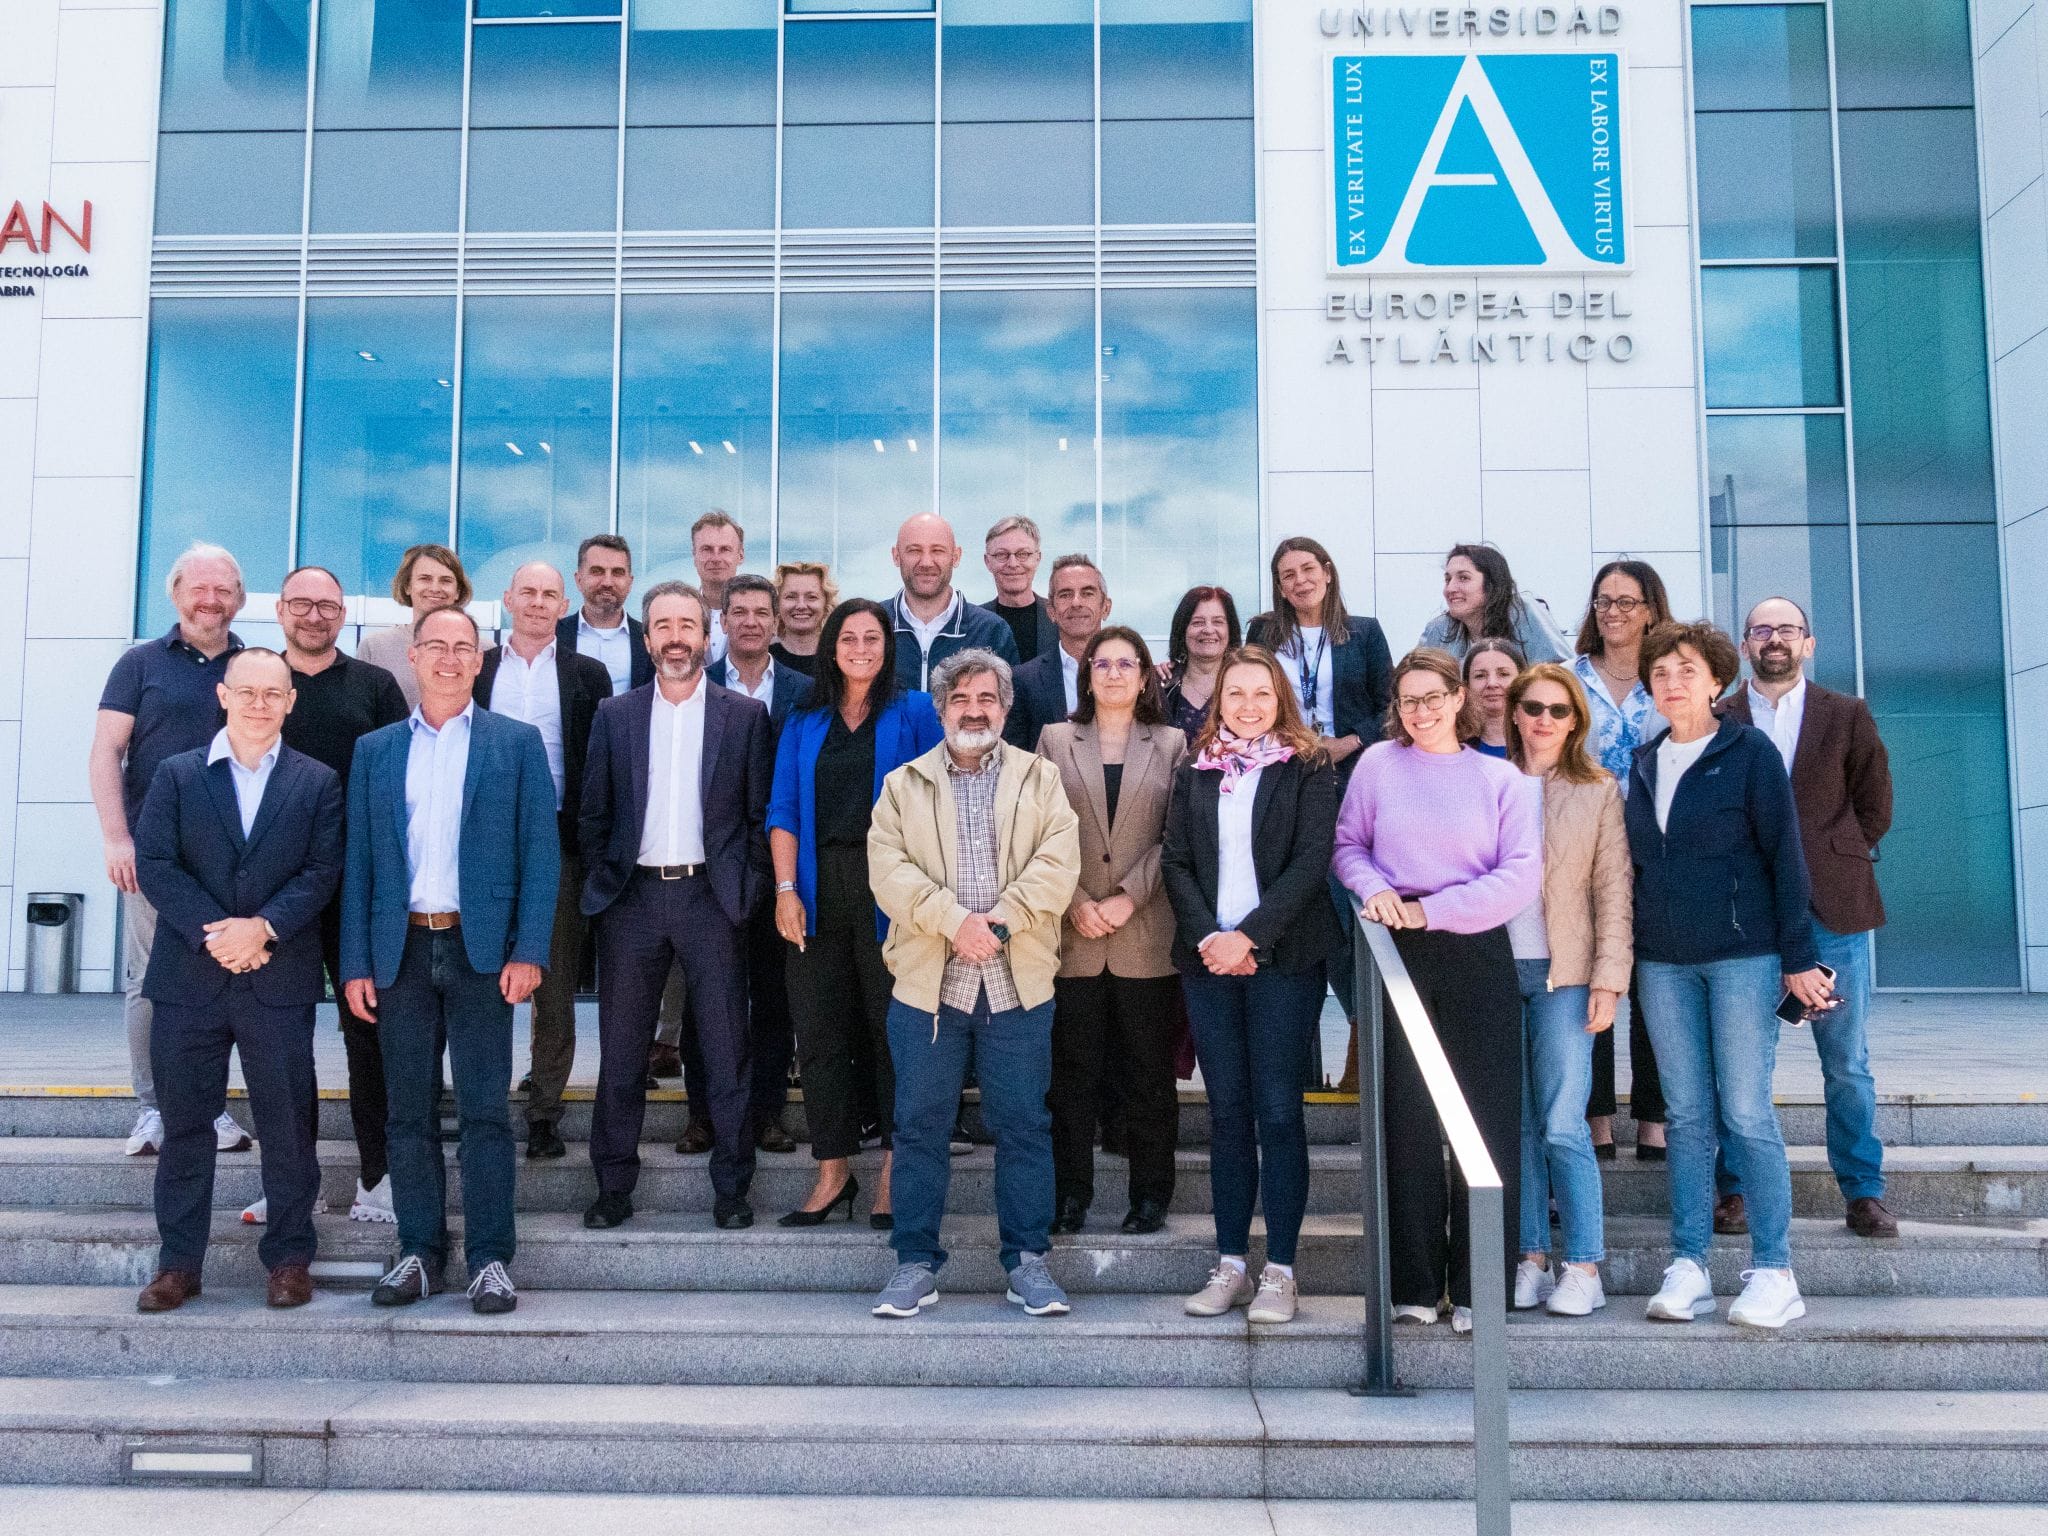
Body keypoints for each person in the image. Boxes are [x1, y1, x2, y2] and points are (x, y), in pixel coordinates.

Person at [340, 606, 560, 1317]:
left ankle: (491, 1258)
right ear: (412, 656)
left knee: (485, 1111)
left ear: (479, 659)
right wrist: (355, 962)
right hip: (399, 949)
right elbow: (362, 864)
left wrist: (530, 951)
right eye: (434, 645)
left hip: (482, 952)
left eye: (462, 647)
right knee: (406, 1114)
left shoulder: (515, 743)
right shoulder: (375, 750)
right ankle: (418, 1251)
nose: (447, 658)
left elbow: (541, 856)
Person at [865, 649, 1080, 1320]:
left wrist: (1002, 922)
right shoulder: (903, 784)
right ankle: (915, 1265)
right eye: (960, 700)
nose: (974, 710)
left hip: (1015, 986)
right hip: (931, 987)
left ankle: (1027, 1263)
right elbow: (889, 873)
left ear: (1006, 706)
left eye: (986, 699)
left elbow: (1056, 864)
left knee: (1023, 1126)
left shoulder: (1040, 778)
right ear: (941, 710)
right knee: (920, 1127)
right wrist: (955, 922)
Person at [1333, 648, 1541, 1334]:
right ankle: (1416, 1286)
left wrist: (1436, 909)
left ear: (1460, 699)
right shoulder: (1376, 766)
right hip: (1397, 950)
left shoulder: (1500, 778)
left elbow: (1518, 879)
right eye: (1408, 701)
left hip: (1474, 948)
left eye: (1432, 698)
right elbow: (1347, 847)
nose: (1420, 712)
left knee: (1485, 1121)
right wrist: (1377, 889)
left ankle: (1480, 1286)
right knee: (1408, 1119)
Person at [1629, 620, 1829, 1331]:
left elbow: (1786, 858)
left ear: (1717, 681)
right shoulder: (1644, 760)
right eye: (1660, 672)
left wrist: (1799, 957)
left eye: (1687, 669)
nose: (1672, 681)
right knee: (1684, 1116)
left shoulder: (1749, 753)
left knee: (1744, 1110)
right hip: (1662, 962)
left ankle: (1775, 1271)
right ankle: (1689, 1265)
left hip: (1743, 958)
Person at [131, 649, 344, 1314]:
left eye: (272, 693)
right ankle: (178, 1264)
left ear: (290, 702)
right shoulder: (176, 775)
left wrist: (262, 928)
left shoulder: (317, 782)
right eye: (246, 691)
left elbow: (321, 870)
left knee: (286, 1125)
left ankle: (287, 1259)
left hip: (276, 978)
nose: (259, 703)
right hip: (189, 979)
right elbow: (156, 864)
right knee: (186, 1125)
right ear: (223, 695)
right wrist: (217, 931)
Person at [579, 582, 774, 1232]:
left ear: (706, 635)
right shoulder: (616, 714)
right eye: (662, 625)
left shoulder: (743, 716)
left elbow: (756, 816)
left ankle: (732, 1188)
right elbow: (595, 811)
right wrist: (607, 886)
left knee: (725, 1047)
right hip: (632, 898)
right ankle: (611, 1187)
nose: (675, 637)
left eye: (686, 625)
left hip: (710, 899)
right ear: (648, 638)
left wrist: (741, 891)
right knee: (623, 1051)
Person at [1163, 646, 1342, 1326]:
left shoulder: (1310, 767)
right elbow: (1175, 859)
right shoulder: (1196, 769)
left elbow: (1310, 862)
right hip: (1209, 961)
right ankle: (1231, 1263)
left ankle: (1282, 1271)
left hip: (1285, 960)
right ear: (1219, 701)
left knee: (1277, 1111)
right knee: (1228, 1114)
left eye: (1260, 694)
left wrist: (1251, 937)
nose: (1246, 705)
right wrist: (1213, 936)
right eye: (1235, 693)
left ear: (1281, 700)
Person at [1718, 597, 1895, 1239]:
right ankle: (1736, 1188)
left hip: (1833, 913)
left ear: (1808, 643)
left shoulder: (1845, 714)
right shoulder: (1721, 716)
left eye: (1786, 630)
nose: (1774, 640)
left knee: (1845, 1060)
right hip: (1747, 917)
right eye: (1762, 630)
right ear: (1744, 644)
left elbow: (1875, 803)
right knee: (1744, 1061)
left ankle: (1863, 1191)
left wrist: (1833, 857)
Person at [770, 599, 944, 1227]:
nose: (862, 647)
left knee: (889, 1033)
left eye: (873, 637)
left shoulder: (916, 711)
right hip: (816, 891)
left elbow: (938, 804)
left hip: (891, 896)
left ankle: (896, 1172)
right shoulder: (805, 717)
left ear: (887, 646)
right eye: (850, 637)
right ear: (831, 646)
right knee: (818, 1035)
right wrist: (786, 890)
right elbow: (783, 809)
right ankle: (833, 1170)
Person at [92, 541, 250, 1159]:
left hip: (236, 856)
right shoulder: (139, 664)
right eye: (199, 588)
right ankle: (152, 1109)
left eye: (223, 590)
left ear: (238, 598)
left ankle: (207, 1109)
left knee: (221, 984)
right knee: (151, 982)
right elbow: (107, 752)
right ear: (177, 594)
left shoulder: (253, 664)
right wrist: (116, 836)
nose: (210, 600)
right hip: (155, 853)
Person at [269, 565, 408, 1226]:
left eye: (328, 605)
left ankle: (378, 1178)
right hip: (275, 889)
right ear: (280, 610)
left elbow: (401, 786)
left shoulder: (375, 687)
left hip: (358, 885)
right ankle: (286, 1181)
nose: (315, 615)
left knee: (368, 1035)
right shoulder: (260, 684)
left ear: (343, 613)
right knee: (279, 1040)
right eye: (303, 603)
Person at [1039, 627, 1186, 1235]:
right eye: (1104, 663)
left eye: (1129, 663)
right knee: (1070, 1079)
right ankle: (1070, 1196)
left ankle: (1149, 1197)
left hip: (1144, 930)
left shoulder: (1175, 742)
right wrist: (1074, 899)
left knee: (1149, 1077)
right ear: (1088, 673)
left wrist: (1128, 897)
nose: (1116, 673)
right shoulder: (1053, 739)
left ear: (1146, 674)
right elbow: (1036, 830)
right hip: (1072, 932)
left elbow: (1178, 835)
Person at [1503, 662, 1630, 1319]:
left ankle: (1583, 1264)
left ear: (1576, 719)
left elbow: (1614, 891)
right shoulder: (1489, 780)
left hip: (1566, 975)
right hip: (1497, 973)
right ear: (1516, 713)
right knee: (1517, 1127)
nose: (1544, 721)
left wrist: (1610, 980)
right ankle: (1531, 1258)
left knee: (1561, 1123)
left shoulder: (1597, 788)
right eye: (1533, 708)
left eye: (1558, 710)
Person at [476, 561, 614, 1163]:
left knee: (552, 980)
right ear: (507, 600)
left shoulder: (589, 674)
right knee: (478, 978)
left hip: (557, 842)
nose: (537, 602)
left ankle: (543, 1113)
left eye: (549, 594)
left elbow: (602, 763)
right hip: (477, 841)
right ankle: (481, 1105)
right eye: (526, 592)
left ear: (565, 605)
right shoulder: (475, 668)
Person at [1245, 537, 1393, 1094]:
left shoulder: (1365, 632)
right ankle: (1294, 1065)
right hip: (1281, 785)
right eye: (1287, 574)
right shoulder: (1263, 634)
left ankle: (1361, 1049)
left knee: (1343, 912)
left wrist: (1349, 741)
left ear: (1327, 573)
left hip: (1346, 783)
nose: (1299, 581)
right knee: (1285, 911)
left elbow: (1392, 706)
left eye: (1308, 569)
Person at [707, 573, 816, 1153]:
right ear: (721, 621)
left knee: (775, 997)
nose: (750, 622)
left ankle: (768, 1113)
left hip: (781, 858)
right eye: (739, 612)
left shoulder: (805, 689)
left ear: (776, 623)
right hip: (711, 862)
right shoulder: (694, 685)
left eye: (760, 613)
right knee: (712, 996)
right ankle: (705, 1115)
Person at [1571, 559, 1674, 1162]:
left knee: (1653, 989)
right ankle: (1599, 1118)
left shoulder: (1671, 678)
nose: (1613, 612)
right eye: (1604, 601)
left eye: (1628, 602)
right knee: (1596, 986)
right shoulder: (1566, 678)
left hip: (1659, 855)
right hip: (1586, 854)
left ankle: (1655, 1120)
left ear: (1652, 610)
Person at [883, 513, 1020, 692]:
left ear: (956, 556)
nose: (926, 562)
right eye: (914, 550)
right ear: (896, 556)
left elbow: (1010, 711)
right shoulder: (873, 625)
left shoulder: (991, 630)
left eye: (937, 551)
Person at [1004, 553, 1111, 750]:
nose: (1076, 603)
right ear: (1051, 611)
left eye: (1087, 593)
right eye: (1065, 594)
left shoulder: (1135, 674)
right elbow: (1014, 758)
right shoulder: (1023, 680)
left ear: (1106, 607)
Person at [358, 543, 473, 710]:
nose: (435, 588)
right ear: (407, 586)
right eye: (425, 579)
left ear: (457, 591)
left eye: (446, 580)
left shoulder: (480, 649)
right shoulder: (374, 647)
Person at [1419, 543, 1568, 665]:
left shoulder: (1523, 611)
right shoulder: (1438, 629)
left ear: (1491, 584)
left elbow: (1560, 675)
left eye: (1463, 578)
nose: (1450, 588)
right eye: (1447, 580)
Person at [559, 533, 652, 697]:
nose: (607, 582)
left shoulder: (649, 640)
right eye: (597, 571)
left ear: (630, 582)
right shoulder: (554, 636)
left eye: (617, 572)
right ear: (579, 579)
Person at [1161, 585, 1241, 737]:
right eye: (1197, 622)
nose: (1208, 630)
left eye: (1218, 622)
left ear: (1230, 630)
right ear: (1182, 630)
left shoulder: (1246, 685)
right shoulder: (1161, 688)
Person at [979, 515, 1056, 664]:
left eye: (1023, 554)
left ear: (1037, 558)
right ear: (988, 562)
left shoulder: (1060, 618)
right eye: (1002, 555)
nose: (1013, 563)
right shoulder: (974, 624)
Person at [691, 510, 746, 664]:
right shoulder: (678, 613)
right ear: (694, 555)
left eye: (725, 549)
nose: (716, 558)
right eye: (707, 549)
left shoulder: (758, 618)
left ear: (740, 556)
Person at [771, 560, 837, 678]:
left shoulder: (840, 659)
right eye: (791, 597)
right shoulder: (764, 659)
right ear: (777, 603)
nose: (801, 605)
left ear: (826, 603)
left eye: (811, 597)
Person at [1463, 638, 1525, 759]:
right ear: (1466, 686)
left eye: (1503, 674)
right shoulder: (1453, 747)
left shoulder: (1542, 741)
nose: (1492, 683)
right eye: (1480, 676)